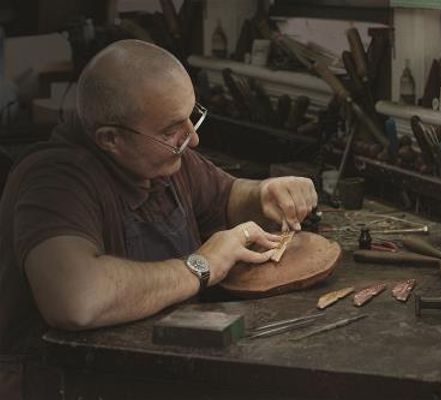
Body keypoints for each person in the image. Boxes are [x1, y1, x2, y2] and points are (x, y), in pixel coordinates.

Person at [0, 39, 317, 399]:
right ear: (111, 139)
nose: (192, 139)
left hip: (148, 373)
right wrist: (201, 265)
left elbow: (227, 195)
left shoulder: (164, 160)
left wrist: (264, 193)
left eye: (191, 117)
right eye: (171, 131)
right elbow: (76, 300)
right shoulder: (54, 181)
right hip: (63, 384)